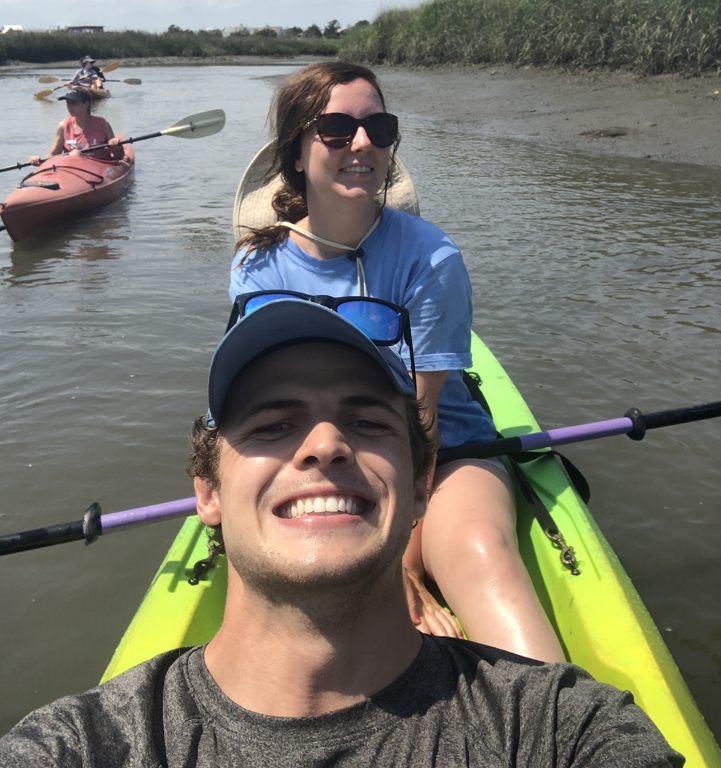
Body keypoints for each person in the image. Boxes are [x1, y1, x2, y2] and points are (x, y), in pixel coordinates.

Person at [0, 297, 682, 766]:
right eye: (272, 424)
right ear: (206, 492)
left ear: (420, 485)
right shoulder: (90, 745)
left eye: (365, 422)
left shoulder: (561, 729)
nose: (324, 445)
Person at [228, 61, 564, 660]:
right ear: (298, 153)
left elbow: (424, 416)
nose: (361, 144)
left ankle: (560, 720)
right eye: (335, 128)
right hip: (316, 448)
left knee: (480, 553)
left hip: (441, 454)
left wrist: (399, 554)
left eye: (378, 128)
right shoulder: (256, 266)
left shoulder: (430, 258)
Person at [28, 88, 124, 166]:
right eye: (68, 103)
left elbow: (118, 156)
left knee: (75, 153)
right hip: (72, 170)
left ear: (86, 104)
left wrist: (115, 146)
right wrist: (39, 160)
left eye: (74, 103)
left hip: (99, 168)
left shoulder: (103, 124)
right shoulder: (63, 126)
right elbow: (53, 154)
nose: (70, 107)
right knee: (75, 154)